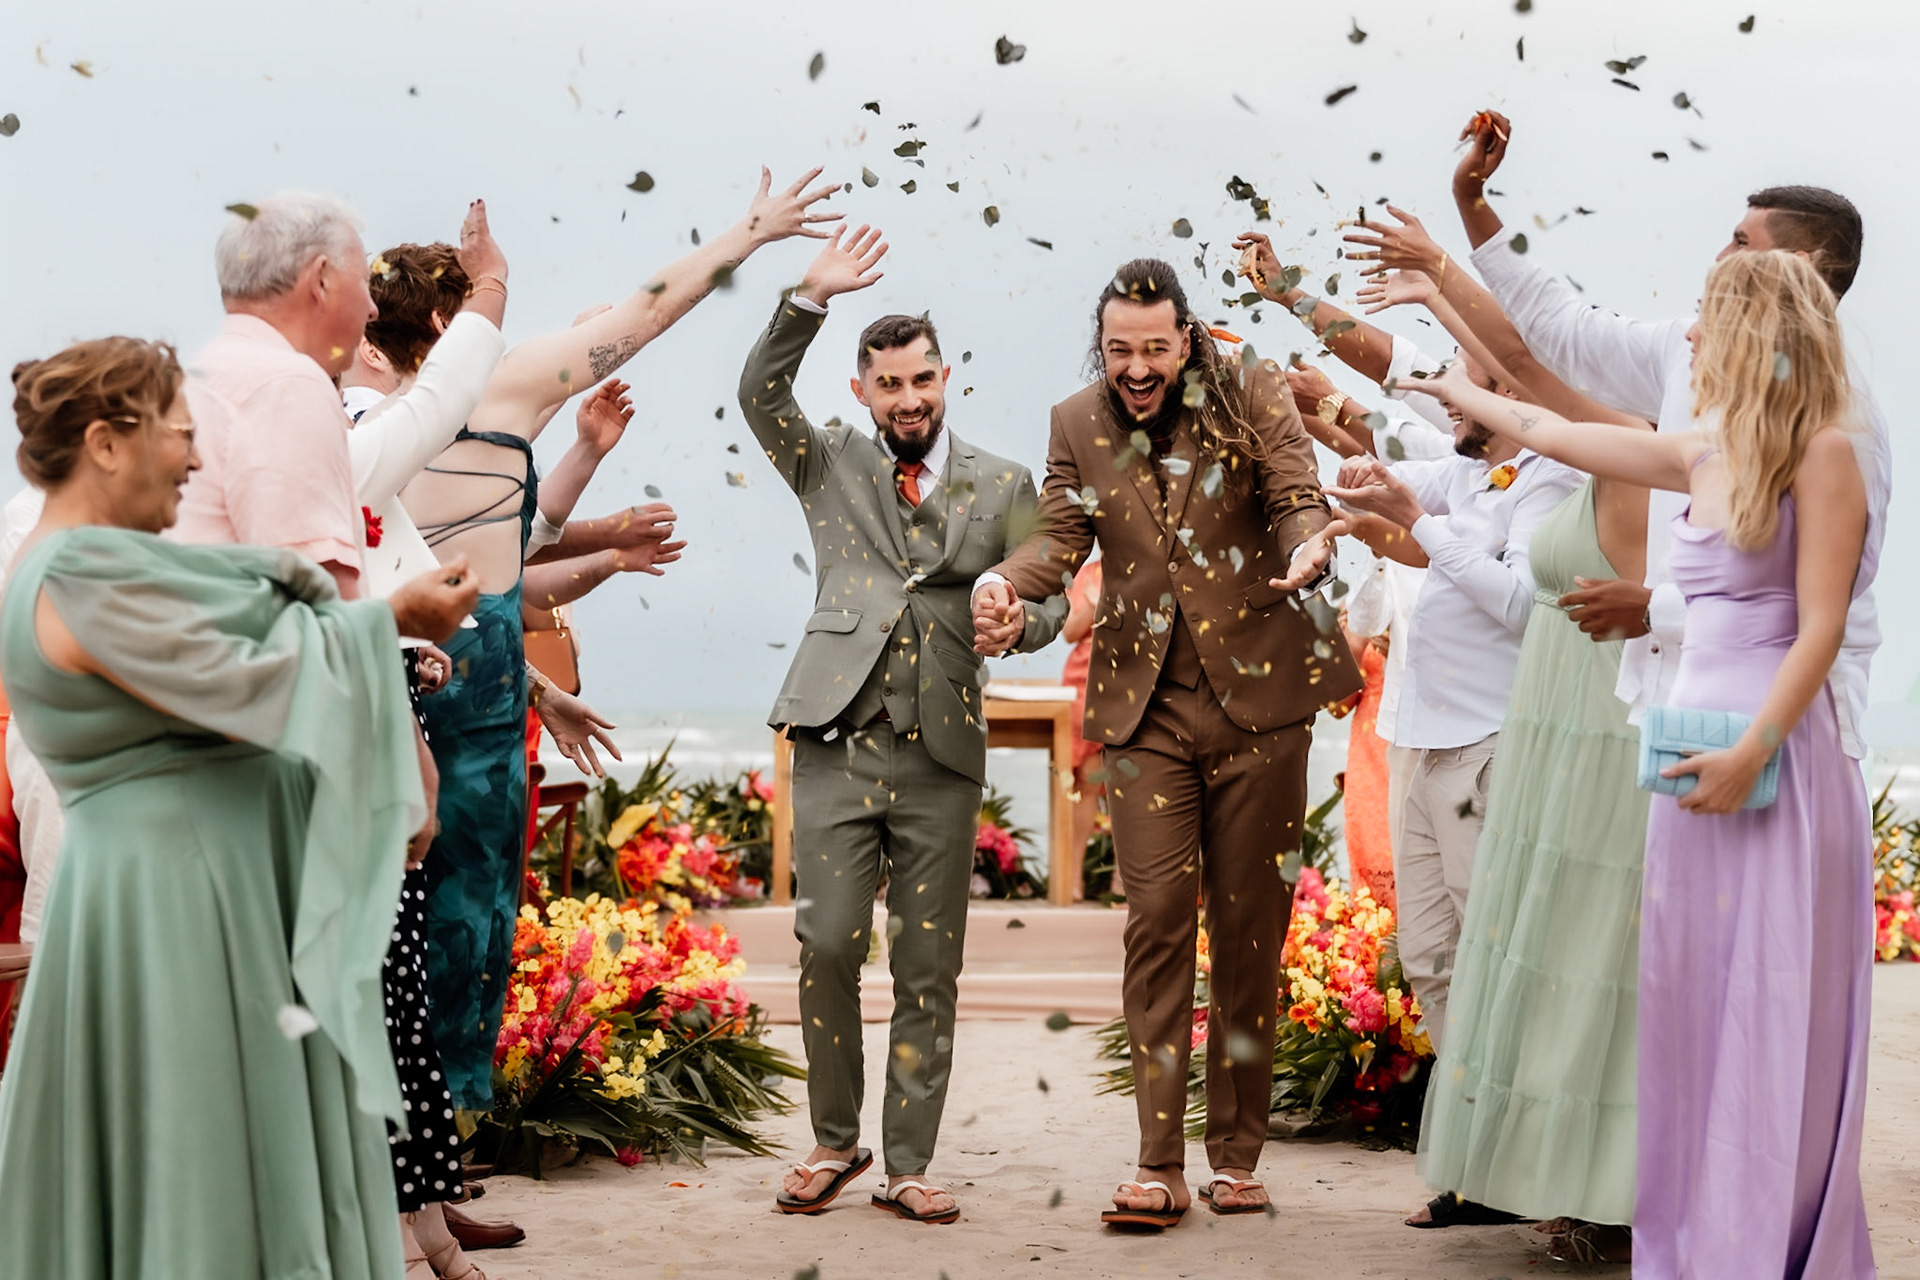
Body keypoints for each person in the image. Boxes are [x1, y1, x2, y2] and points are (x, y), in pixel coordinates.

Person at [1414, 247, 1875, 1280]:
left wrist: (1749, 748)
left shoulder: (1829, 453)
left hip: (1771, 759)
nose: (1694, 336)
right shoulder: (1706, 451)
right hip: (1681, 756)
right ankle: (1693, 1238)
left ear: (1759, 331)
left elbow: (1822, 627)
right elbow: (1549, 424)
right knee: (1685, 1002)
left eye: (1711, 318)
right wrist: (1448, 381)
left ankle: (1767, 1243)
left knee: (1768, 999)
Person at [369, 167, 840, 1127]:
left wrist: (543, 692)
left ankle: (425, 1164)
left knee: (418, 922)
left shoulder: (362, 410)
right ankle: (433, 1150)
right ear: (446, 323)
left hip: (444, 671)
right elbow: (649, 310)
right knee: (466, 921)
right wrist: (747, 233)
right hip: (464, 678)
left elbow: (457, 571)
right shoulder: (491, 380)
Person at [0, 336, 475, 1279]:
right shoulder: (79, 576)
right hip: (171, 905)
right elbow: (251, 681)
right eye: (181, 434)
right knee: (199, 1168)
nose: (195, 458)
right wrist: (394, 623)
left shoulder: (81, 563)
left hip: (174, 888)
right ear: (105, 443)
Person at [978, 258, 1354, 1226]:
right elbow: (1058, 540)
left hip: (1261, 704)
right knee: (1153, 921)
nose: (1136, 368)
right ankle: (1157, 1162)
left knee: (1249, 931)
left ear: (1185, 337)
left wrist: (1312, 539)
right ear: (1098, 347)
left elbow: (1292, 488)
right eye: (1118, 350)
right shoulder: (1075, 421)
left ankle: (1235, 1154)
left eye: (1153, 348)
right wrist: (1006, 586)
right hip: (1144, 712)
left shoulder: (1250, 386)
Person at [1344, 111, 1660, 1257]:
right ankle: (1492, 1153)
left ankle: (1562, 1178)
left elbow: (1524, 372)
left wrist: (1441, 270)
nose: (1461, 391)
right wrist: (1431, 279)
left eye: (1474, 379)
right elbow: (1478, 382)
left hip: (1560, 737)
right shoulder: (1508, 453)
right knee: (1452, 956)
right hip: (1483, 730)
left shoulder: (1595, 458)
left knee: (1544, 962)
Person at [1351, 112, 1889, 769]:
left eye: (1740, 242)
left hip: (1789, 736)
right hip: (1672, 708)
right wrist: (1467, 219)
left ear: (1799, 267)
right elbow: (1552, 372)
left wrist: (1656, 608)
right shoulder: (1695, 423)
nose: (1718, 261)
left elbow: (1822, 613)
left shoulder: (1844, 429)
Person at [737, 223, 1065, 1225]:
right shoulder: (823, 460)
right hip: (837, 736)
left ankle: (909, 1161)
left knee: (929, 964)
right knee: (829, 941)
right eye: (890, 384)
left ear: (945, 374)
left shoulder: (1006, 483)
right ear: (862, 392)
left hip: (943, 749)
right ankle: (836, 1138)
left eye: (923, 378)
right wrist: (806, 298)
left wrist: (1020, 619)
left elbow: (1049, 596)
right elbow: (758, 393)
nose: (910, 398)